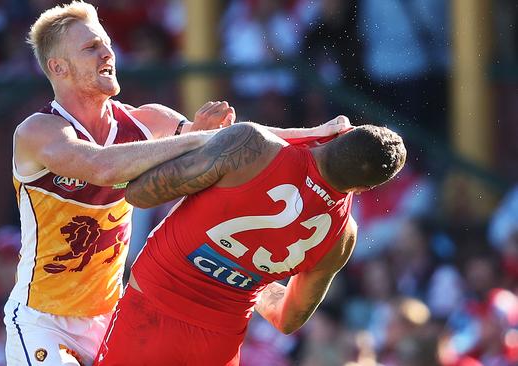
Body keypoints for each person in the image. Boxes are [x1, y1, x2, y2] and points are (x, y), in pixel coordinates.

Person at [5, 1, 350, 365]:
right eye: (91, 48)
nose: (108, 52)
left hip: (109, 314)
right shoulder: (38, 130)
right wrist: (200, 139)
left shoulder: (148, 120)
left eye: (106, 43)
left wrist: (312, 135)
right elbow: (101, 167)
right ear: (58, 67)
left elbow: (246, 146)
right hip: (43, 318)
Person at [95, 122, 407, 365]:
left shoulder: (254, 146)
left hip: (149, 311)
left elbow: (141, 193)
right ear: (364, 189)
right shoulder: (343, 236)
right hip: (217, 345)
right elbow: (288, 319)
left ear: (342, 132)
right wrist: (248, 281)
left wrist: (210, 136)